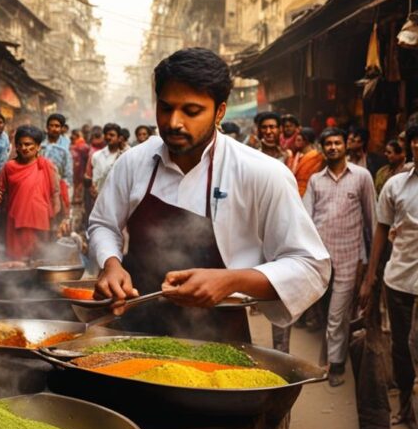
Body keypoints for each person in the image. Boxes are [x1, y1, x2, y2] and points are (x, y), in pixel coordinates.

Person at [89, 47, 330, 342]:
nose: (174, 122)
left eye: (191, 111)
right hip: (133, 327)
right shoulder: (134, 162)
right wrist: (111, 264)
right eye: (165, 108)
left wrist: (231, 280)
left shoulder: (262, 173)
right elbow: (103, 224)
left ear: (220, 111)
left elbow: (310, 267)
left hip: (218, 339)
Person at [359, 125, 418, 429]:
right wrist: (369, 278)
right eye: (415, 140)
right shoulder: (396, 185)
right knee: (399, 347)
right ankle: (406, 409)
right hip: (399, 279)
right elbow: (381, 230)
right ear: (410, 145)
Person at [301, 128, 375, 386]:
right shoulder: (315, 180)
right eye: (328, 144)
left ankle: (336, 367)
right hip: (320, 259)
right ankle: (334, 355)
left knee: (337, 315)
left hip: (349, 257)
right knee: (323, 313)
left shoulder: (362, 177)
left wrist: (370, 264)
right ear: (322, 148)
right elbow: (305, 218)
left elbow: (372, 222)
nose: (333, 147)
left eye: (337, 143)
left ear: (345, 146)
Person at [0, 125, 63, 260]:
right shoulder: (9, 167)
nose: (24, 148)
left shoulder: (46, 166)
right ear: (16, 147)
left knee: (38, 260)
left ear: (37, 146)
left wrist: (55, 220)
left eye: (28, 144)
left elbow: (55, 193)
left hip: (40, 221)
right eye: (20, 144)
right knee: (16, 262)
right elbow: (0, 192)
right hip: (15, 221)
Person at [41, 113, 74, 208]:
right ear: (47, 127)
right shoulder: (40, 145)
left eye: (57, 126)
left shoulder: (66, 147)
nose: (54, 129)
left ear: (62, 128)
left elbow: (68, 174)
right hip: (40, 187)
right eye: (51, 125)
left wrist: (66, 192)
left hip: (58, 188)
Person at [89, 123, 125, 200]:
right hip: (101, 197)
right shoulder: (97, 155)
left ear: (119, 138)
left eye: (112, 135)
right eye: (106, 134)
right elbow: (95, 178)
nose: (108, 137)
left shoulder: (125, 156)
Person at [289, 127, 324, 197]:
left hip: (308, 193)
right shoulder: (296, 156)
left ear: (306, 141)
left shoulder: (317, 157)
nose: (295, 143)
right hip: (294, 192)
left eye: (299, 140)